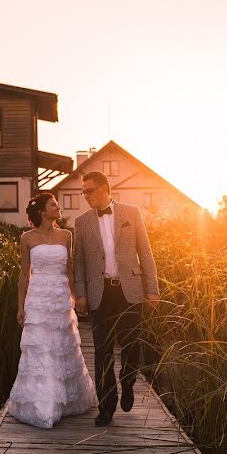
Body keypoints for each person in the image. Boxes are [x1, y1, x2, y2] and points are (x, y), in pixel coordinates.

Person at [73, 171, 159, 427]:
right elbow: (78, 263)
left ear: (103, 189)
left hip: (130, 292)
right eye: (83, 192)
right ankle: (106, 407)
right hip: (100, 295)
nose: (85, 195)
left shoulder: (131, 214)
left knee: (132, 345)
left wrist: (152, 288)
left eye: (88, 190)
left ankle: (128, 380)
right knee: (102, 352)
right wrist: (80, 294)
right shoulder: (81, 222)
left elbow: (145, 252)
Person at [6, 193, 97, 429]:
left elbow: (69, 269)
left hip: (59, 297)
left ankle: (65, 401)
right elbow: (24, 274)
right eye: (53, 205)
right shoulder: (26, 238)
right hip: (37, 298)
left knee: (61, 345)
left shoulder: (66, 235)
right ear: (42, 211)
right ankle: (43, 404)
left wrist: (76, 297)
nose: (58, 208)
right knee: (41, 348)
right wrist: (20, 306)